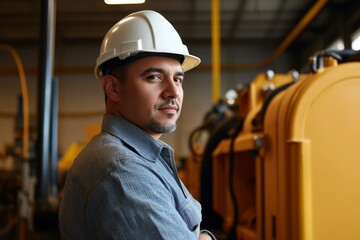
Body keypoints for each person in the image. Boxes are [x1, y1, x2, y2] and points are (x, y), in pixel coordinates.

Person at [58, 10, 217, 240]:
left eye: (178, 79)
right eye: (154, 77)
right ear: (112, 88)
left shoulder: (145, 158)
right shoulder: (121, 170)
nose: (173, 92)